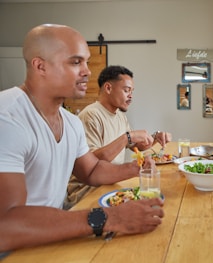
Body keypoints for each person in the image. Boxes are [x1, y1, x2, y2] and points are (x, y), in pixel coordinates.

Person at [0, 24, 164, 253]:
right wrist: (109, 217)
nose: (87, 71)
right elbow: (5, 226)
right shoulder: (6, 116)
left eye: (86, 62)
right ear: (40, 66)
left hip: (51, 235)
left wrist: (137, 168)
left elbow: (92, 170)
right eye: (76, 62)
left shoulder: (71, 122)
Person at [65, 65, 171, 208]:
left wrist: (155, 137)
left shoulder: (120, 116)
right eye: (126, 90)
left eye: (132, 91)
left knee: (160, 199)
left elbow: (137, 146)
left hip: (111, 182)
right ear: (108, 88)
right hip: (87, 191)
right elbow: (90, 166)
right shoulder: (90, 115)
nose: (130, 96)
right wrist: (128, 137)